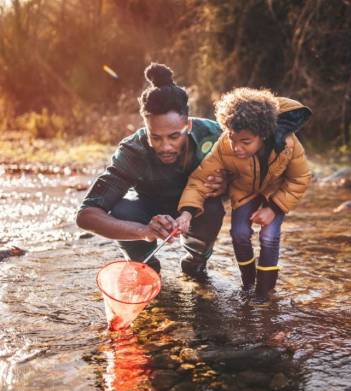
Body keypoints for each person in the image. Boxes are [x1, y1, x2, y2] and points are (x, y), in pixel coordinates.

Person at [76, 63, 226, 277]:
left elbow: (255, 173)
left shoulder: (214, 135)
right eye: (155, 137)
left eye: (174, 136)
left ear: (188, 125)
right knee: (121, 210)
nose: (165, 146)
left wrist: (227, 183)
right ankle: (145, 267)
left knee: (213, 207)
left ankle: (196, 261)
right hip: (147, 211)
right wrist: (143, 232)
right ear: (146, 127)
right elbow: (86, 215)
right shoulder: (132, 151)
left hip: (197, 210)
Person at [176, 87, 312, 299]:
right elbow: (200, 179)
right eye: (232, 138)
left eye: (245, 142)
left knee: (269, 236)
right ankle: (248, 285)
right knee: (239, 234)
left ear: (263, 135)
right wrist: (186, 211)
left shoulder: (288, 145)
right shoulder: (225, 145)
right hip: (244, 191)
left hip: (274, 193)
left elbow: (300, 178)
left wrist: (273, 208)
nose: (236, 147)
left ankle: (264, 292)